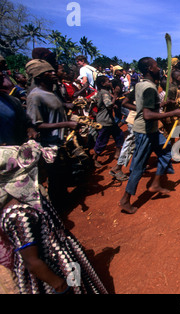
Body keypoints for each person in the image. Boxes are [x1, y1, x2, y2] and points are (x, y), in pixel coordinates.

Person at [0, 140, 108, 294]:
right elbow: (32, 262)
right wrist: (60, 285)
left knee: (81, 288)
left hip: (64, 259)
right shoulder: (18, 214)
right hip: (52, 274)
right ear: (22, 176)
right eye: (39, 167)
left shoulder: (32, 198)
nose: (44, 170)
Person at [118, 57, 180, 214]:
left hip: (152, 130)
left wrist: (160, 105)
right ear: (149, 69)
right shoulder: (149, 88)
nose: (158, 67)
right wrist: (173, 112)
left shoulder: (141, 85)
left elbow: (125, 102)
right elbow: (147, 115)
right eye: (155, 65)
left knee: (166, 152)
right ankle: (125, 200)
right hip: (145, 131)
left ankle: (155, 183)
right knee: (139, 166)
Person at [25, 59, 78, 209]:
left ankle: (63, 201)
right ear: (38, 77)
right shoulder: (35, 96)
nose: (53, 73)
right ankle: (57, 210)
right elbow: (37, 125)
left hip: (60, 142)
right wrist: (66, 124)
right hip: (49, 145)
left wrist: (67, 106)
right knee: (54, 179)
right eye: (48, 72)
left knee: (62, 176)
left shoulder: (51, 91)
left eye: (53, 70)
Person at [91, 76, 124, 168]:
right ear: (103, 84)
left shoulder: (102, 92)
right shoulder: (105, 93)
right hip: (105, 121)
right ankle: (94, 159)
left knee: (119, 135)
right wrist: (116, 95)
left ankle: (117, 154)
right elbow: (108, 105)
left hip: (108, 120)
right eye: (108, 81)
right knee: (102, 140)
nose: (110, 83)